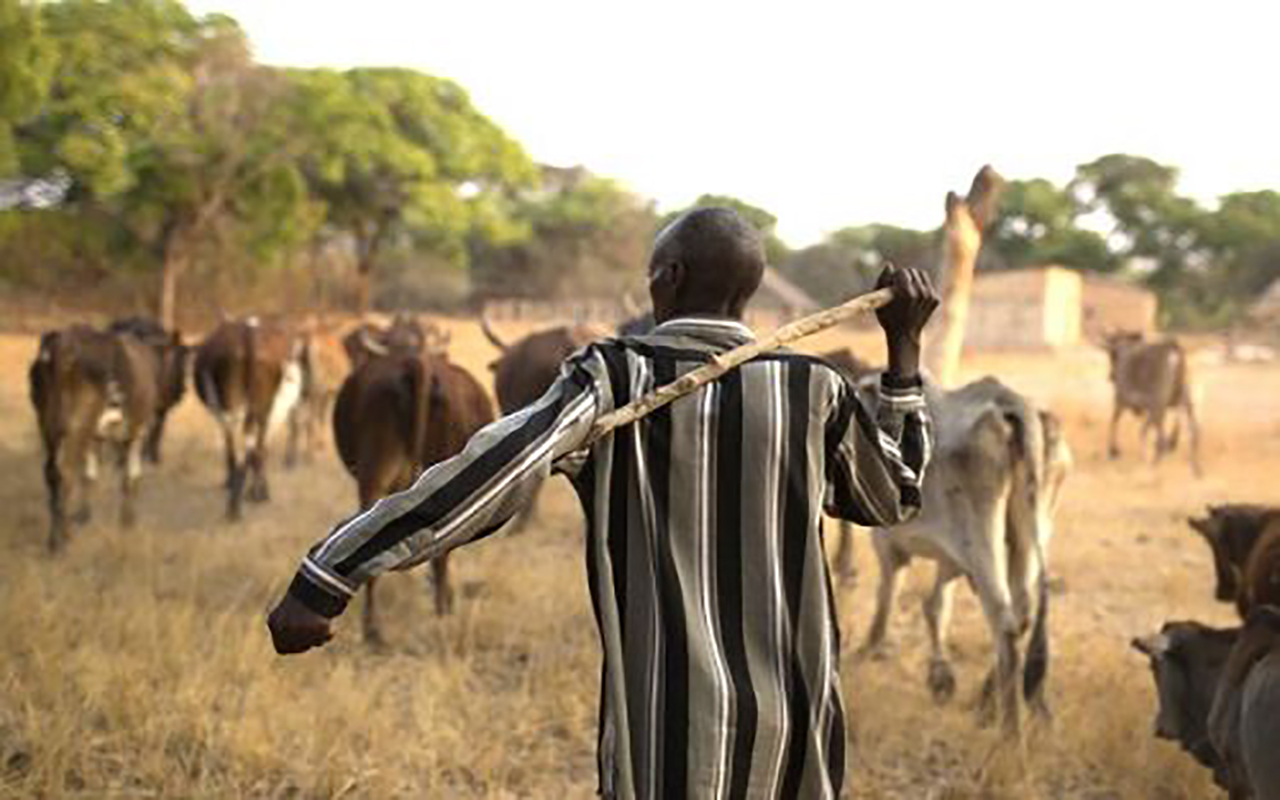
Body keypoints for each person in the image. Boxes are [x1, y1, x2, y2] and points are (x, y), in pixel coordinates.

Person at [268, 207, 939, 799]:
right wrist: (904, 348)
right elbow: (897, 495)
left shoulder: (614, 376)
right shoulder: (816, 389)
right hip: (796, 728)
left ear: (668, 278)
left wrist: (329, 573)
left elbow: (486, 476)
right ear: (749, 291)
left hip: (667, 736)